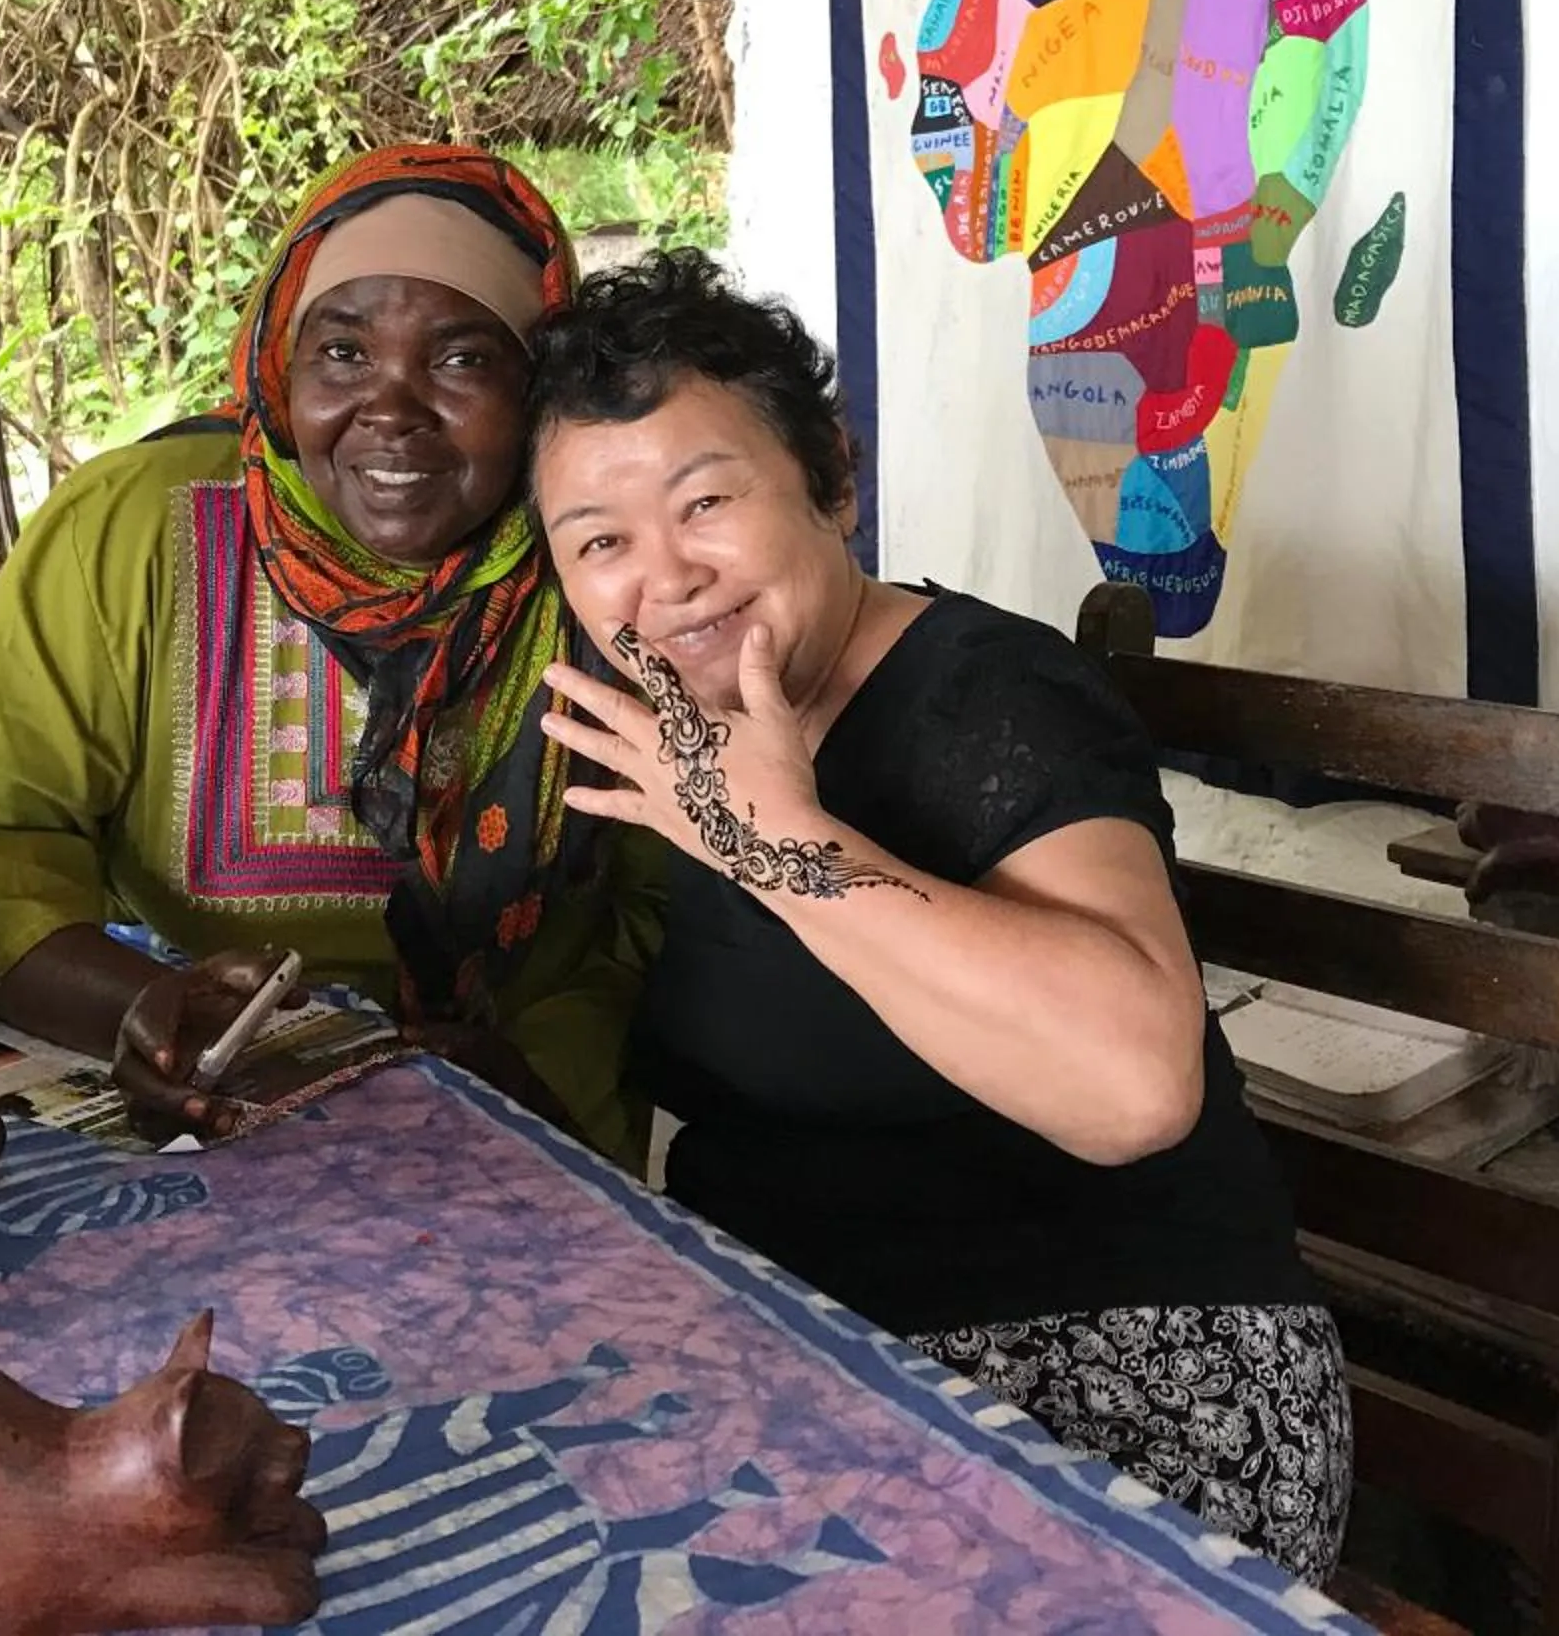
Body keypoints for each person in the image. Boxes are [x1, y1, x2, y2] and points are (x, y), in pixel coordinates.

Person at [528, 250, 1352, 1583]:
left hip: (1127, 1366)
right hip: (821, 1354)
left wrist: (781, 839)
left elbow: (1134, 1084)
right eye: (601, 542)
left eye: (707, 502)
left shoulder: (990, 699)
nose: (664, 577)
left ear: (833, 484)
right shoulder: (677, 733)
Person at [0, 145, 649, 1155]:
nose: (392, 411)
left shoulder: (596, 561)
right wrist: (142, 1007)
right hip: (185, 1109)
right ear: (281, 361)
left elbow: (646, 918)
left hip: (521, 1123)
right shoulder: (138, 530)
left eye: (462, 359)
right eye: (344, 354)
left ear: (539, 389)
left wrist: (525, 1089)